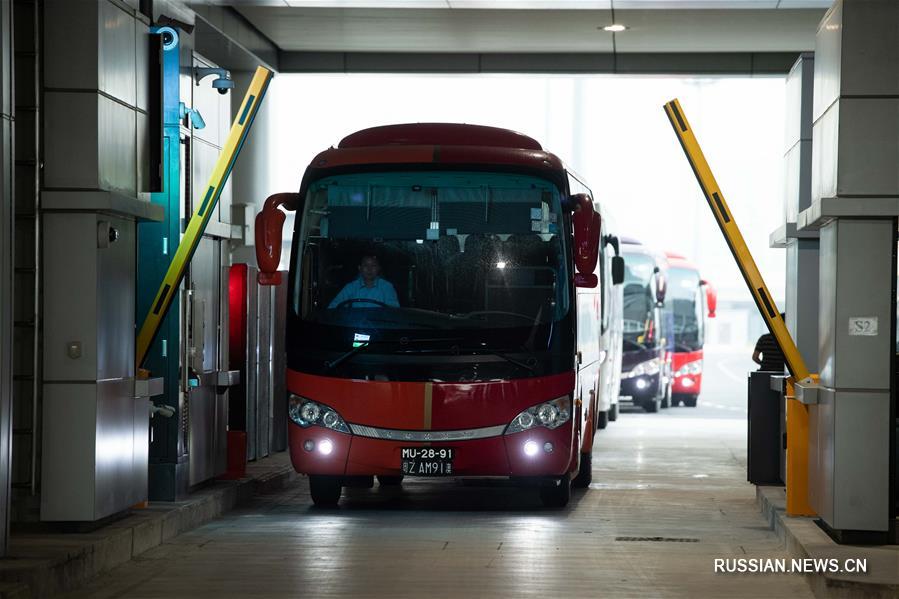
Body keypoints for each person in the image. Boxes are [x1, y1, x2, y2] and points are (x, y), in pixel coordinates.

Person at [328, 254, 399, 309]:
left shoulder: (387, 287)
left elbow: (394, 311)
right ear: (360, 268)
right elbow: (333, 308)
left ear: (378, 268)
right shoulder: (350, 287)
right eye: (366, 265)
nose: (369, 269)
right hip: (354, 325)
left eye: (373, 266)